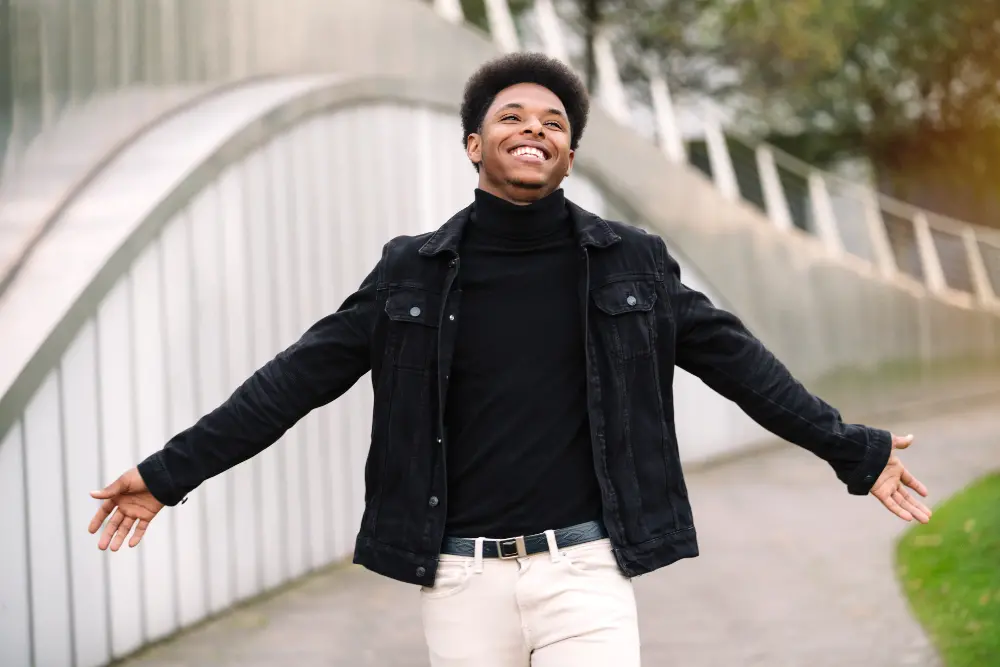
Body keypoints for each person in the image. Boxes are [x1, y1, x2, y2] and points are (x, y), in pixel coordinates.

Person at [87, 52, 931, 666]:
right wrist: (168, 472)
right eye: (512, 118)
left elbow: (743, 366)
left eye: (555, 123)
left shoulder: (631, 261)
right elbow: (292, 381)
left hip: (588, 569)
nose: (536, 128)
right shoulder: (409, 271)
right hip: (460, 579)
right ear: (474, 145)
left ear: (569, 155)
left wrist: (851, 448)